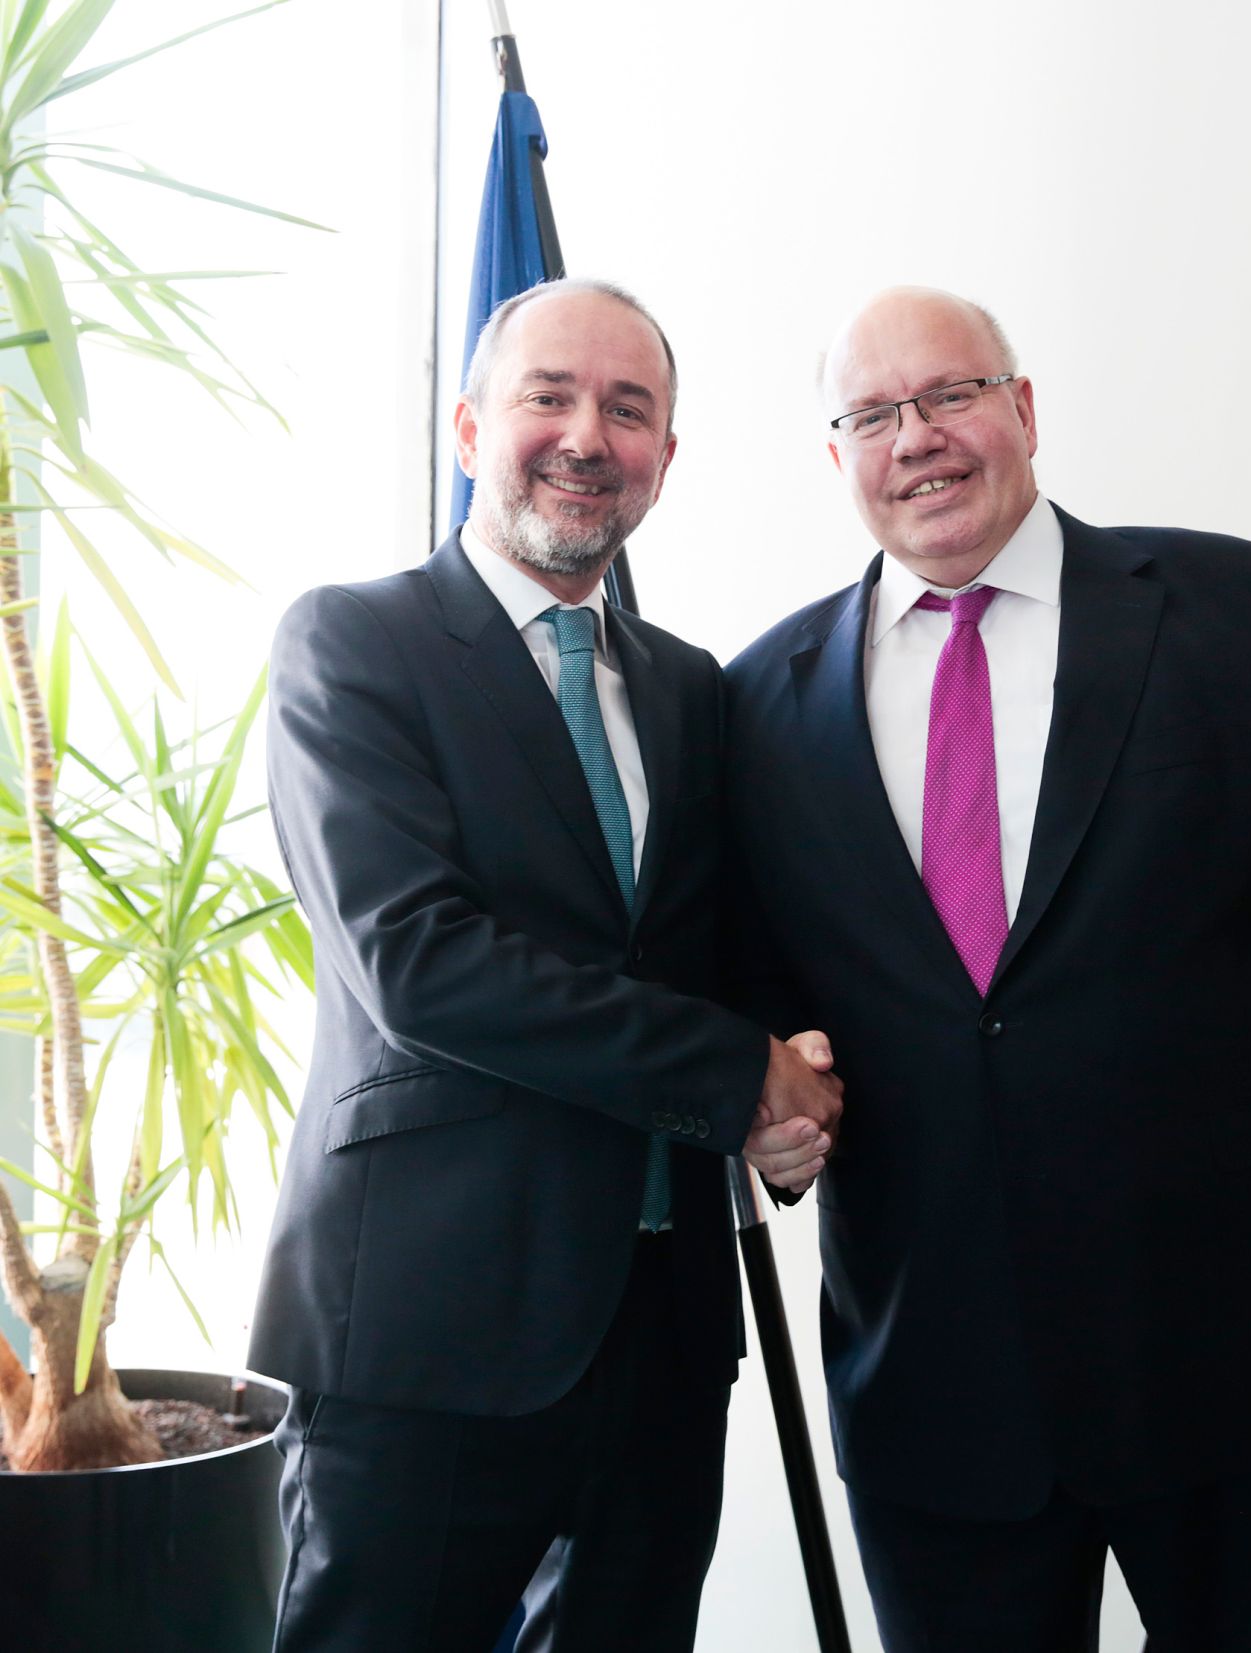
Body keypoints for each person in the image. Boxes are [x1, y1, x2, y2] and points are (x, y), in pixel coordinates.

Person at [726, 287, 1251, 1651]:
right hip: (933, 1382)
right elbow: (768, 988)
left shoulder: (1235, 609)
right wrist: (772, 1111)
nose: (917, 437)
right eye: (874, 415)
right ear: (837, 456)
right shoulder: (761, 698)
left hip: (1238, 1355)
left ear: (1023, 408)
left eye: (950, 394)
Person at [249, 278, 841, 1653]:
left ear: (665, 459)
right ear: (471, 428)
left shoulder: (693, 687)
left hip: (664, 1337)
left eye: (628, 410)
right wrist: (733, 1071)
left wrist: (791, 1089)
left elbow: (721, 951)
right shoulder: (353, 642)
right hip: (424, 1329)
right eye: (549, 396)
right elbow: (419, 962)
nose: (587, 435)